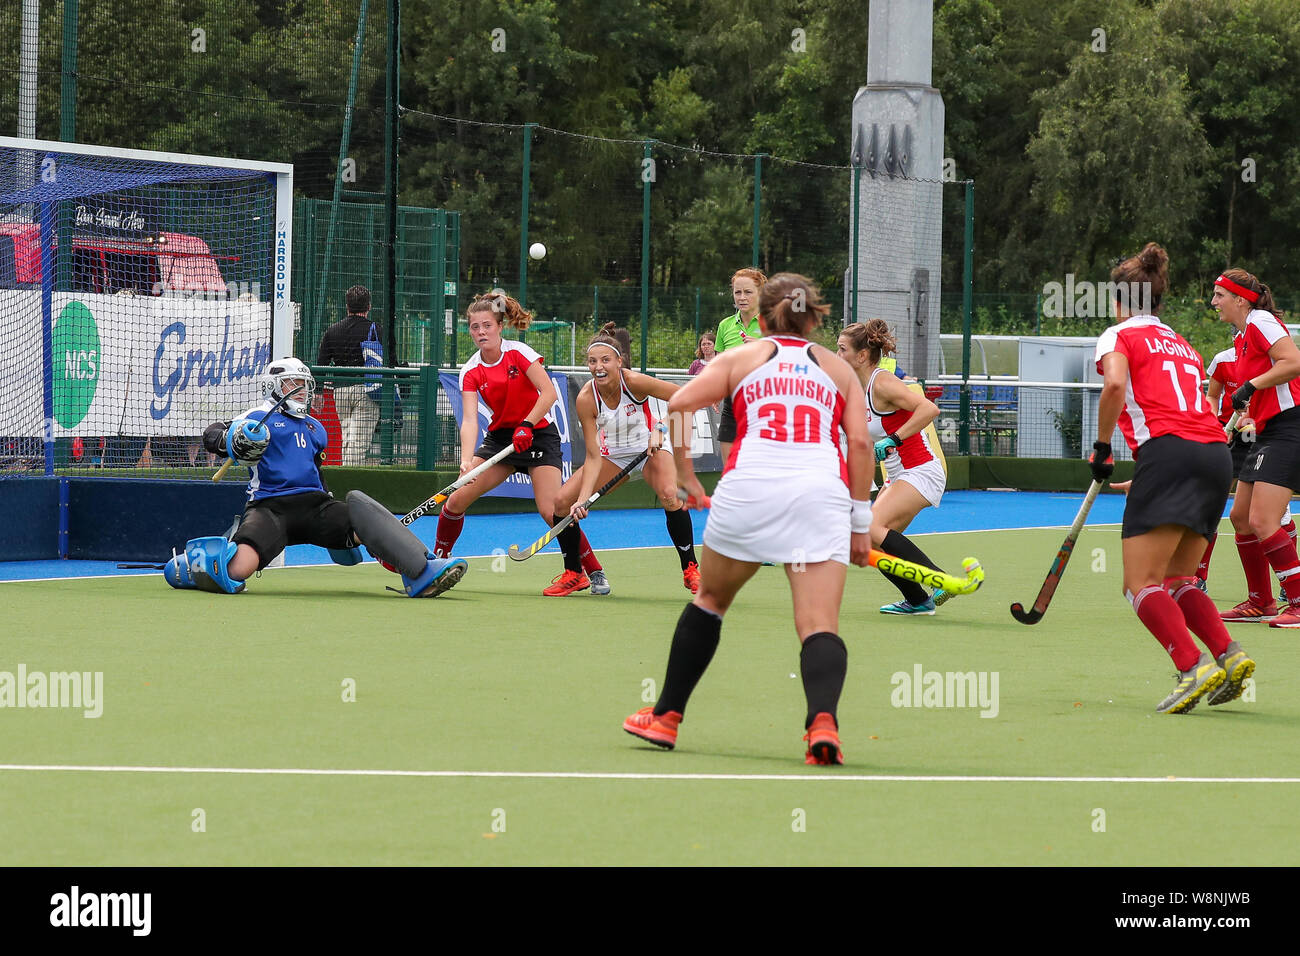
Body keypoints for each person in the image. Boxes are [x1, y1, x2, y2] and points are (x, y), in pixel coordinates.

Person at [623, 273, 873, 765]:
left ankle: (667, 717)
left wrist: (685, 476)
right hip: (818, 497)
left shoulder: (738, 357)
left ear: (762, 316)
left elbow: (679, 405)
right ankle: (823, 725)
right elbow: (861, 445)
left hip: (748, 493)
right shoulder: (837, 370)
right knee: (819, 624)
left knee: (711, 600)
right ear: (814, 317)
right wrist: (860, 524)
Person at [1092, 243, 1251, 713]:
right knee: (1181, 578)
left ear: (1119, 301)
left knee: (1140, 583)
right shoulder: (1181, 342)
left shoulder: (1118, 335)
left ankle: (1191, 666)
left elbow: (1116, 385)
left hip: (1169, 455)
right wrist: (1148, 475)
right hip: (1213, 456)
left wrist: (1102, 452)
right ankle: (1230, 654)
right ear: (1159, 302)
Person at [163, 357, 466, 598]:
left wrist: (337, 516)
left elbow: (317, 475)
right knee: (238, 569)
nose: (301, 391)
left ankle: (423, 571)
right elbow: (211, 434)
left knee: (366, 517)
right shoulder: (256, 417)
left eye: (304, 385)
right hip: (271, 508)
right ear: (274, 387)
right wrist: (228, 440)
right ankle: (190, 567)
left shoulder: (315, 428)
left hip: (317, 508)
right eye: (292, 384)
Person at [433, 290, 606, 595]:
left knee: (553, 509)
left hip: (538, 434)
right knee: (456, 499)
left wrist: (527, 424)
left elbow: (548, 393)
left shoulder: (519, 353)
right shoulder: (470, 370)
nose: (481, 332)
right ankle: (437, 562)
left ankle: (590, 572)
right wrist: (467, 458)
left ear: (499, 326)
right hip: (501, 441)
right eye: (475, 327)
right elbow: (471, 420)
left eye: (487, 325)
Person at [552, 323, 700, 596]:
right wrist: (582, 498)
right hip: (613, 458)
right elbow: (594, 456)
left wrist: (661, 428)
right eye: (593, 361)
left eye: (606, 360)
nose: (599, 366)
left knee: (669, 494)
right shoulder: (586, 398)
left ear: (619, 362)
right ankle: (574, 573)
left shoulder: (633, 381)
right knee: (562, 503)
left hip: (650, 449)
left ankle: (690, 567)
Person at [837, 320, 948, 614]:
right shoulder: (855, 389)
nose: (837, 356)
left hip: (921, 469)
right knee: (866, 544)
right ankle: (918, 600)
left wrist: (893, 439)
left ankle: (938, 578)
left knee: (870, 526)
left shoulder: (882, 382)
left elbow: (929, 408)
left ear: (861, 356)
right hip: (899, 475)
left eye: (842, 349)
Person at [1213, 267, 1300, 627]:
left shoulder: (1261, 320)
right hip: (1267, 431)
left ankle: (1297, 601)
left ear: (1239, 299)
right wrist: (1247, 414)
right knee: (1240, 518)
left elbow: (1294, 363)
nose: (1214, 302)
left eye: (1219, 295)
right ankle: (1260, 602)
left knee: (1263, 520)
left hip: (1290, 427)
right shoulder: (1242, 335)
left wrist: (1249, 385)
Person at [1201, 330, 1294, 598]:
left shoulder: (1274, 363)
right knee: (1213, 504)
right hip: (1232, 440)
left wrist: (1254, 418)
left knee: (1275, 515)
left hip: (1268, 436)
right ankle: (1198, 576)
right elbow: (1212, 396)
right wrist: (1213, 424)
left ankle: (1288, 589)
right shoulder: (1224, 360)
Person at [317, 285, 384, 466]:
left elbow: (321, 363)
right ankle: (352, 483)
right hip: (368, 390)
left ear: (347, 306)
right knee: (359, 443)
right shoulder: (376, 329)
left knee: (346, 439)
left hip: (341, 391)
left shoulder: (333, 330)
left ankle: (346, 475)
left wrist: (317, 393)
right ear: (368, 306)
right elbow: (389, 359)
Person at [714, 268, 766, 463]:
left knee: (760, 472)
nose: (742, 297)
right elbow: (718, 366)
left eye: (748, 292)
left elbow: (790, 364)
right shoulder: (725, 326)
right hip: (732, 406)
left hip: (765, 406)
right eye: (738, 292)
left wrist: (765, 349)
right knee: (730, 472)